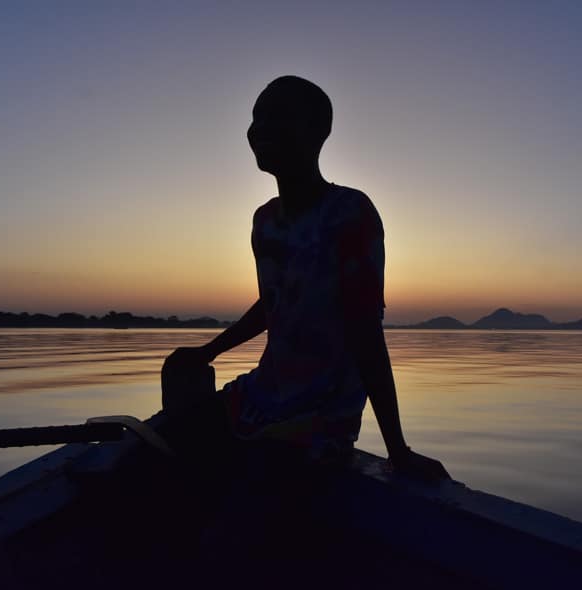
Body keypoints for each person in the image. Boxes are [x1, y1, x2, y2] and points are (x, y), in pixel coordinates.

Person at [166, 75, 448, 481]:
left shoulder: (349, 214)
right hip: (263, 394)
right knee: (173, 404)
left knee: (236, 506)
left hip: (319, 416)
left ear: (317, 132)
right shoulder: (264, 221)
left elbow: (365, 331)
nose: (258, 129)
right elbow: (273, 303)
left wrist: (397, 450)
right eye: (255, 118)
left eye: (275, 117)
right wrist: (208, 351)